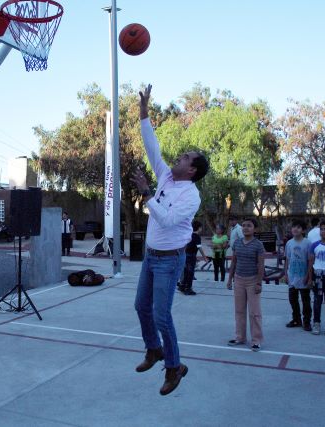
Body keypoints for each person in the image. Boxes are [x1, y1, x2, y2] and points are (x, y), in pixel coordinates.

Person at [131, 84, 209, 396]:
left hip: (169, 260)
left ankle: (174, 367)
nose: (179, 157)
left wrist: (147, 194)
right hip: (151, 256)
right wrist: (144, 110)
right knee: (141, 307)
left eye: (185, 157)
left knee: (162, 315)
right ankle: (154, 350)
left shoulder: (190, 195)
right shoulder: (166, 176)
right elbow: (152, 147)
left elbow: (165, 218)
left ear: (191, 171)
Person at [226, 218, 265, 352]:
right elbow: (234, 262)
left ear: (255, 229)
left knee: (254, 312)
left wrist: (259, 283)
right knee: (239, 310)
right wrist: (229, 278)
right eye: (243, 226)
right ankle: (240, 337)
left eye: (249, 226)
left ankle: (256, 340)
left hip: (253, 281)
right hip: (238, 280)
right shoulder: (237, 243)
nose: (245, 228)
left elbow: (261, 265)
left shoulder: (258, 245)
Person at [283, 220, 312, 331]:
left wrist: (309, 277)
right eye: (294, 227)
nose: (295, 229)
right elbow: (287, 260)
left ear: (303, 230)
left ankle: (307, 322)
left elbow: (310, 261)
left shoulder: (307, 243)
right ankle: (296, 319)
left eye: (299, 227)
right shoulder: (289, 243)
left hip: (303, 277)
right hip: (292, 276)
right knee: (293, 300)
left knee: (305, 301)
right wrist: (285, 274)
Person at [178, 220, 209, 295]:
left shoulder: (189, 235)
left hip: (186, 255)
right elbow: (199, 248)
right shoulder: (197, 236)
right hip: (191, 256)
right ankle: (188, 288)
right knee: (190, 272)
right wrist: (204, 257)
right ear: (199, 228)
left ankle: (182, 286)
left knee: (186, 271)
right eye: (201, 228)